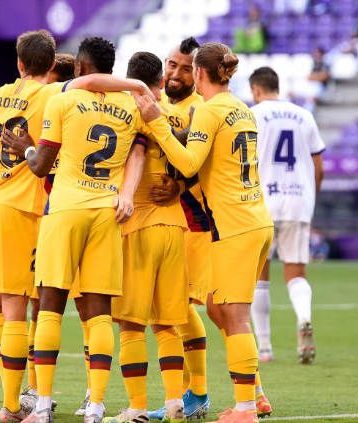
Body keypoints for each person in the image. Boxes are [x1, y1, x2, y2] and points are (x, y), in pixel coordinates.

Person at [0, 32, 156, 421]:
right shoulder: (80, 99)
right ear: (56, 68)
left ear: (18, 63)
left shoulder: (2, 96)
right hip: (62, 210)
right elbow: (130, 142)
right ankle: (55, 404)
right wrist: (136, 85)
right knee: (76, 310)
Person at [2, 36, 177, 423]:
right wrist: (127, 193)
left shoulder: (61, 98)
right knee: (98, 313)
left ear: (79, 67)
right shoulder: (130, 106)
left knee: (49, 306)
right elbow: (138, 151)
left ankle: (43, 406)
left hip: (65, 209)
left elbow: (41, 165)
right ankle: (96, 405)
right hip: (106, 212)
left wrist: (25, 150)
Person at [135, 42, 274, 423]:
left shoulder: (209, 112)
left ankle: (245, 408)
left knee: (234, 313)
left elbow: (189, 162)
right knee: (217, 307)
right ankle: (255, 395)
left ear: (198, 73)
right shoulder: (242, 108)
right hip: (257, 219)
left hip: (235, 226)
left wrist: (156, 122)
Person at [102, 51, 190, 423]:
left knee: (132, 325)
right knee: (168, 323)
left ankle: (137, 407)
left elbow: (129, 156)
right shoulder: (177, 115)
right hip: (175, 226)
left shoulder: (130, 111)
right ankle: (174, 404)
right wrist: (180, 186)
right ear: (160, 79)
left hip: (138, 223)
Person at [147, 36, 213, 422]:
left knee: (180, 310)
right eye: (170, 64)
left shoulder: (199, 110)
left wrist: (179, 185)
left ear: (197, 72)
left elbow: (202, 162)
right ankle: (193, 393)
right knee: (173, 312)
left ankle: (199, 392)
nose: (173, 73)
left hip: (194, 222)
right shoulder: (158, 103)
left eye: (184, 68)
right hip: (167, 223)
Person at [249, 66, 325, 365]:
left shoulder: (253, 115)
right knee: (296, 273)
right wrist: (310, 198)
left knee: (259, 278)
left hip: (262, 202)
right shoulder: (304, 115)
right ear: (276, 86)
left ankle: (265, 348)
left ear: (256, 90)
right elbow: (319, 166)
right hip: (298, 201)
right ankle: (304, 318)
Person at [290, 47, 330, 112]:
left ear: (321, 54)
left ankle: (308, 113)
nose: (315, 54)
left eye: (317, 53)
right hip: (312, 85)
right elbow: (308, 77)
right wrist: (314, 77)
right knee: (292, 92)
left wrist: (313, 77)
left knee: (311, 97)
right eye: (315, 53)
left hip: (321, 87)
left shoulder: (325, 64)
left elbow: (323, 77)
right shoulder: (313, 64)